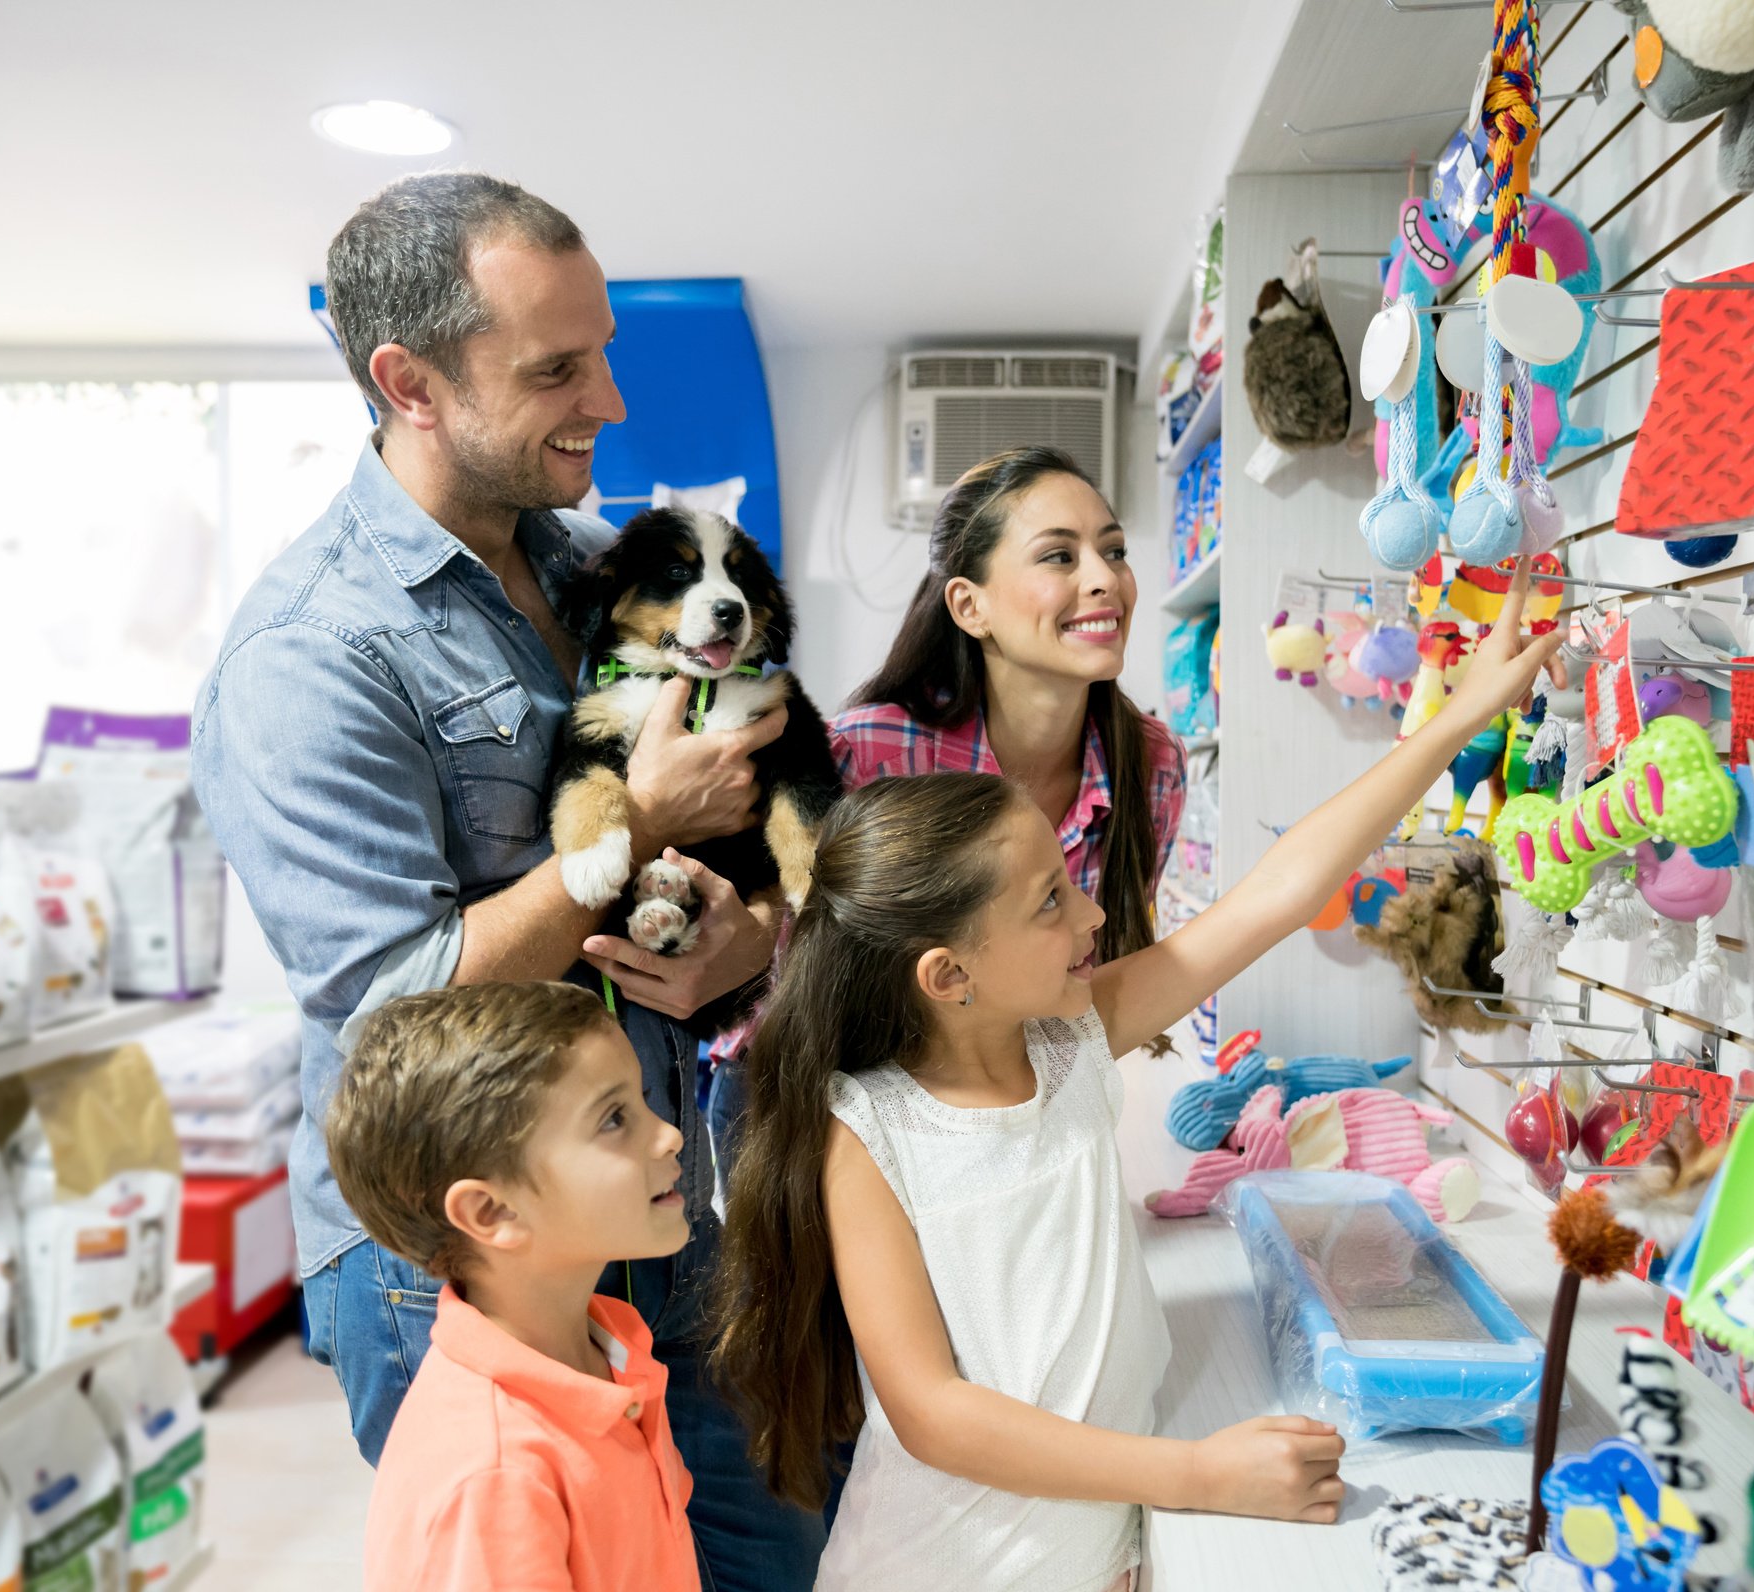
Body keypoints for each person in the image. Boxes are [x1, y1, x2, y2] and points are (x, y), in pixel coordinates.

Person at [190, 172, 823, 1585]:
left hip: (662, 1193)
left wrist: (748, 939)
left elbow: (767, 812)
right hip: (456, 1262)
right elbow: (384, 1019)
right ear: (408, 381)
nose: (605, 399)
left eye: (601, 349)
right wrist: (624, 835)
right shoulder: (308, 656)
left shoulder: (612, 564)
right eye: (554, 369)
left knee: (771, 1558)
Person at [712, 576, 1561, 1592]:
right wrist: (1191, 1473)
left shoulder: (1067, 1040)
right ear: (949, 976)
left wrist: (1458, 718)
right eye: (1049, 903)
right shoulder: (870, 1131)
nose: (1091, 916)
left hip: (1093, 1546)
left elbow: (1281, 890)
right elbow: (935, 1414)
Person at [707, 445, 1185, 1181]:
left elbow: (1090, 975)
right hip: (814, 1101)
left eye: (1113, 550)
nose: (1105, 579)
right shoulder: (867, 753)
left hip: (1001, 1105)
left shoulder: (1152, 764)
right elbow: (796, 975)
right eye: (1058, 556)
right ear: (970, 605)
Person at [328, 982, 698, 1592]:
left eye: (644, 1099)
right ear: (492, 1212)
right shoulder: (495, 1475)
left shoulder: (607, 1355)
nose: (668, 1135)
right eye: (613, 1119)